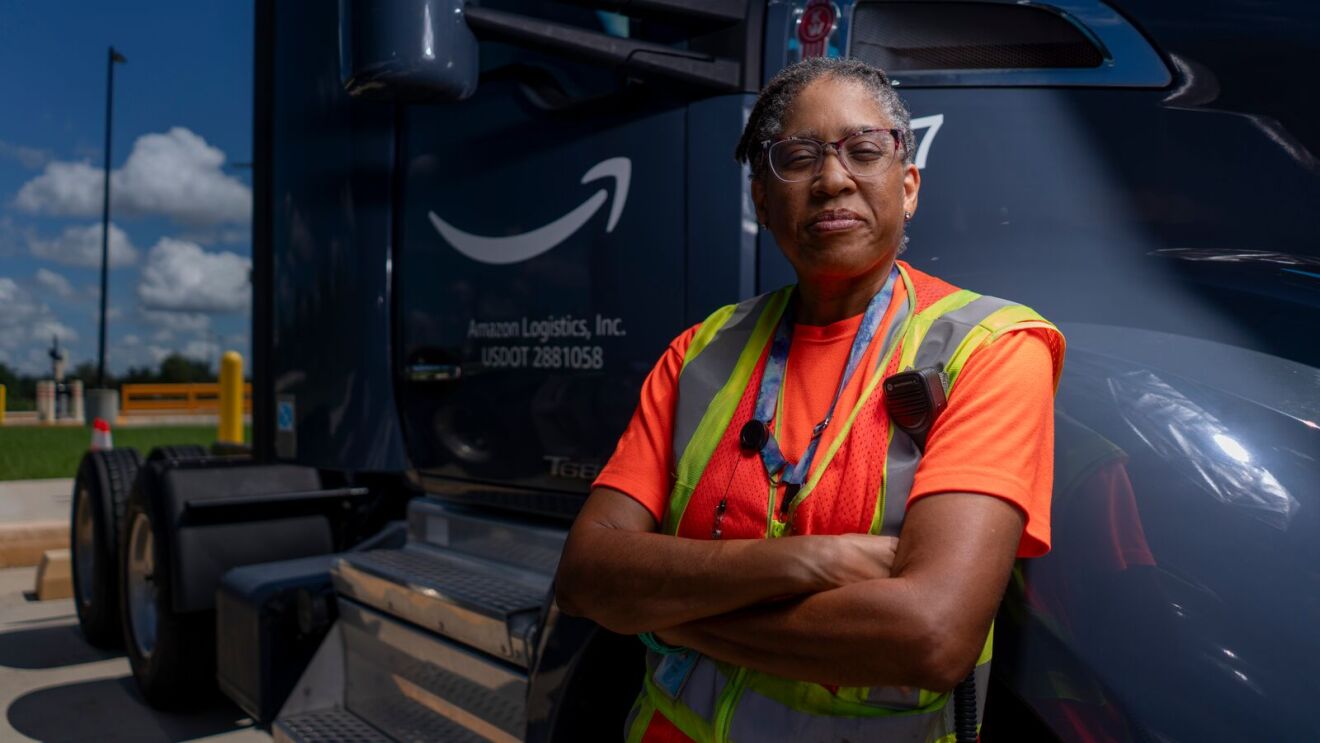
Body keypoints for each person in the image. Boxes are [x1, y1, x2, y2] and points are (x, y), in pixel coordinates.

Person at [555, 56, 1066, 742]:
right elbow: (587, 576)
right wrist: (811, 560)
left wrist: (665, 611)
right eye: (797, 157)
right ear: (761, 200)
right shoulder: (700, 352)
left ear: (908, 186)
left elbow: (932, 636)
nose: (832, 179)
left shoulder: (992, 349)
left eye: (864, 150)